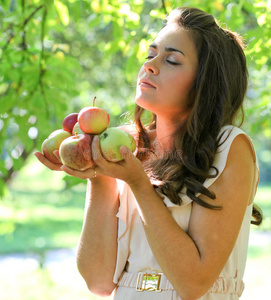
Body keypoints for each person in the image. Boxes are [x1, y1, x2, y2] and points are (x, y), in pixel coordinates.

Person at [34, 6, 263, 300]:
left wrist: (139, 184)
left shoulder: (229, 147)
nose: (150, 65)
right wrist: (99, 177)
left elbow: (193, 284)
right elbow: (99, 281)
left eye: (171, 60)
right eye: (150, 54)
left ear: (205, 83)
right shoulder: (126, 146)